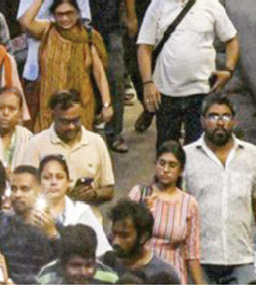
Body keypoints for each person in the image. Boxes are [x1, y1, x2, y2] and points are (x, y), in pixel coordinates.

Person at [138, 0, 238, 147]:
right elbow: (144, 46)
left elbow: (231, 39)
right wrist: (148, 82)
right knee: (167, 149)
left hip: (201, 92)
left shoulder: (211, 5)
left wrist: (228, 70)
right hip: (166, 93)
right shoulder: (157, 5)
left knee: (200, 149)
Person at [62, 0, 136, 152]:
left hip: (111, 25)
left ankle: (115, 133)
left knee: (114, 76)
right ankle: (87, 132)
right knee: (83, 79)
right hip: (80, 30)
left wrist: (131, 16)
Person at [183, 94, 256, 284]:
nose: (220, 122)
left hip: (243, 258)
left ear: (234, 120)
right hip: (200, 259)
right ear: (202, 120)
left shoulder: (252, 156)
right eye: (213, 116)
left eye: (226, 116)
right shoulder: (186, 157)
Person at [18, 90, 115, 213]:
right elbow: (26, 188)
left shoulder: (96, 142)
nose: (71, 127)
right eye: (65, 121)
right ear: (53, 116)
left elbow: (109, 190)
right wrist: (63, 196)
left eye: (76, 120)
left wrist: (93, 194)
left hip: (88, 223)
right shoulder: (36, 144)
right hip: (48, 222)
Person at [129, 141, 204, 283]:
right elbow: (124, 234)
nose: (166, 169)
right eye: (161, 163)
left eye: (172, 165)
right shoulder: (139, 194)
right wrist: (141, 212)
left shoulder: (189, 203)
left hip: (173, 274)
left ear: (181, 170)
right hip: (141, 271)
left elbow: (192, 251)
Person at [104, 199, 182, 282]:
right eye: (114, 234)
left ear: (143, 237)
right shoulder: (106, 265)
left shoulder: (163, 274)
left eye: (124, 236)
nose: (116, 242)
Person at [36, 224, 117, 284]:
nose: (83, 273)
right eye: (76, 266)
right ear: (62, 265)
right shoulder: (46, 280)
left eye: (89, 265)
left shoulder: (110, 279)